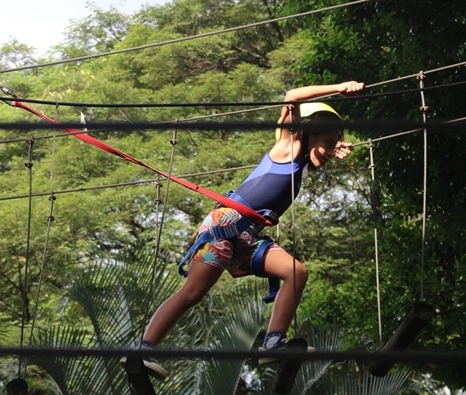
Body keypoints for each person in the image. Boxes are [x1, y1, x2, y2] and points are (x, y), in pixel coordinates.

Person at [128, 81, 363, 379]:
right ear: (306, 133)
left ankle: (273, 344)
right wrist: (340, 88)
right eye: (326, 144)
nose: (330, 152)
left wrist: (331, 146)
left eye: (333, 146)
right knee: (193, 292)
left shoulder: (300, 164)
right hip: (225, 227)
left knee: (296, 272)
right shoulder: (287, 146)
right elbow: (291, 96)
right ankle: (142, 350)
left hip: (246, 237)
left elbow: (317, 152)